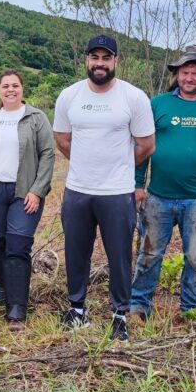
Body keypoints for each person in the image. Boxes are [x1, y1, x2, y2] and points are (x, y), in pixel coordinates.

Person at [53, 35, 155, 342]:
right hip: (78, 190)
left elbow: (147, 145)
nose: (100, 63)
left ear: (115, 62)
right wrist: (85, 162)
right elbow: (62, 138)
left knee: (119, 255)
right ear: (86, 60)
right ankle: (77, 309)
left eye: (106, 58)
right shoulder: (69, 96)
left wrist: (120, 165)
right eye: (94, 57)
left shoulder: (133, 97)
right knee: (75, 251)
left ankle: (120, 315)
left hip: (117, 192)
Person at [130, 46, 196, 322]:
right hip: (157, 197)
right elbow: (143, 146)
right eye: (184, 72)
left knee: (195, 257)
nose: (189, 78)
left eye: (195, 73)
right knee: (149, 253)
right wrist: (137, 183)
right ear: (177, 75)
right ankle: (139, 306)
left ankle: (190, 309)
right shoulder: (157, 105)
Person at [0, 70, 55, 325]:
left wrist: (37, 190)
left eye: (15, 86)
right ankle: (2, 291)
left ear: (22, 88)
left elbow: (48, 154)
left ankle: (16, 307)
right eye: (5, 86)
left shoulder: (36, 117)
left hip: (24, 192)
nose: (10, 90)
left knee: (18, 245)